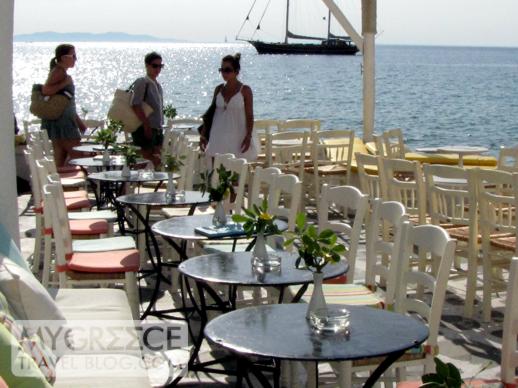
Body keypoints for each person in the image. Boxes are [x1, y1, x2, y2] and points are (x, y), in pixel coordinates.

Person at [202, 53, 257, 163]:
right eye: (221, 70)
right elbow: (211, 114)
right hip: (218, 135)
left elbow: (250, 115)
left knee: (236, 171)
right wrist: (203, 135)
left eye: (227, 70)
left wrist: (248, 136)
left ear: (236, 71)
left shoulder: (245, 90)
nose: (224, 73)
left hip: (237, 135)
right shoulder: (219, 89)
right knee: (216, 169)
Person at [41, 44, 86, 167]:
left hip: (61, 122)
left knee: (60, 160)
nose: (75, 59)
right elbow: (45, 90)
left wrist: (79, 123)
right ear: (63, 57)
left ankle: (60, 185)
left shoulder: (59, 71)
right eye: (73, 56)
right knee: (79, 158)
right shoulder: (59, 72)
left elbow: (65, 101)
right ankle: (77, 184)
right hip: (63, 125)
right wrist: (65, 82)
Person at [131, 52, 164, 167]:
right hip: (144, 129)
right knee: (143, 160)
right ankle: (137, 183)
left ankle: (154, 182)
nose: (158, 69)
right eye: (155, 66)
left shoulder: (157, 85)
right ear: (147, 65)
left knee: (157, 160)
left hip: (157, 129)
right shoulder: (142, 82)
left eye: (160, 66)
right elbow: (135, 104)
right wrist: (146, 125)